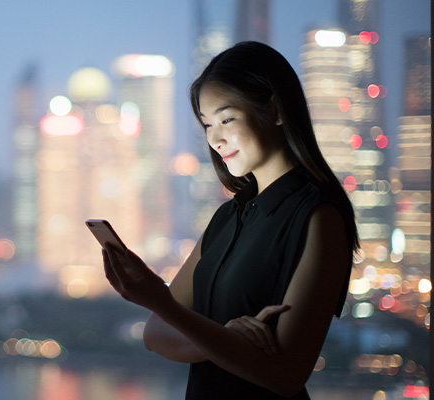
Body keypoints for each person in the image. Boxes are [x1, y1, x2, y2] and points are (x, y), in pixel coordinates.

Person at [100, 41, 359, 399]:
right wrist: (225, 339)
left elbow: (288, 374)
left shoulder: (319, 216)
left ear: (275, 109)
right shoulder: (228, 217)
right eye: (207, 124)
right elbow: (155, 334)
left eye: (226, 119)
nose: (215, 138)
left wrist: (161, 301)